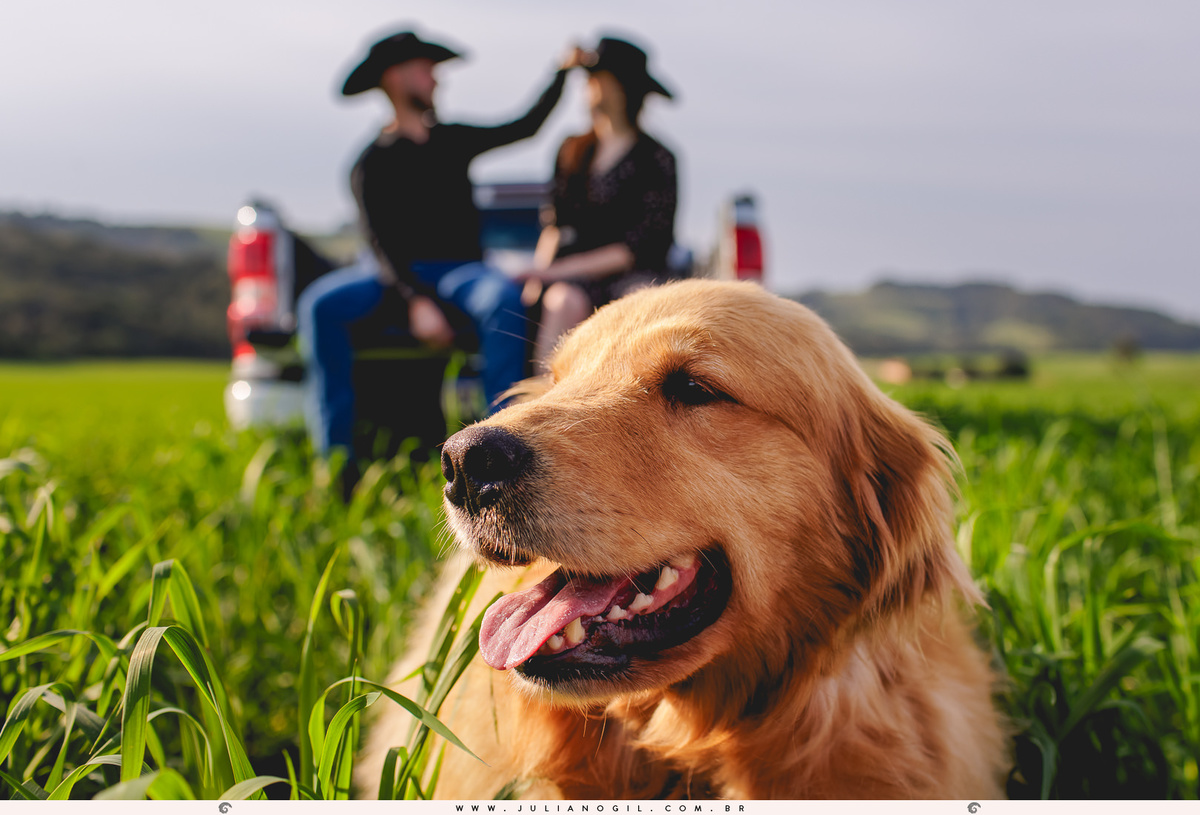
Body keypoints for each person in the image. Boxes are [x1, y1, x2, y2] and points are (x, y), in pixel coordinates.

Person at [298, 30, 573, 466]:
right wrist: (416, 302)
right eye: (426, 71)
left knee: (500, 297)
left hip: (461, 271)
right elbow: (381, 246)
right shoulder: (370, 164)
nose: (436, 81)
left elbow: (525, 125)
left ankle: (503, 448)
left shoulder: (453, 140)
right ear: (396, 77)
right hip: (395, 276)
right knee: (319, 306)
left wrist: (561, 73)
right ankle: (336, 462)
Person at [519, 37, 678, 368]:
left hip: (631, 275)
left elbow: (640, 246)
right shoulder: (572, 150)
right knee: (562, 301)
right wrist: (538, 278)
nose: (588, 85)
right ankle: (538, 404)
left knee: (636, 305)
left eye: (597, 76)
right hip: (572, 277)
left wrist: (555, 271)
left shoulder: (657, 158)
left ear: (621, 86)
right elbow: (555, 225)